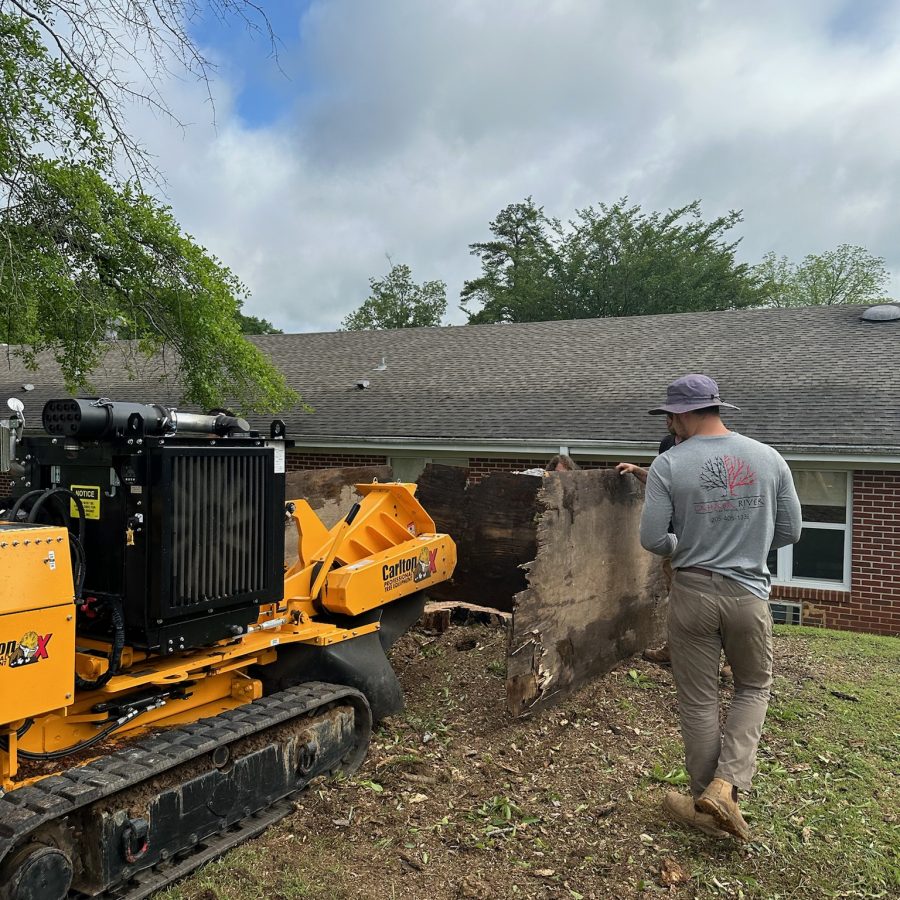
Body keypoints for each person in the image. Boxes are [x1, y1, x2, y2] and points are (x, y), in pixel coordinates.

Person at [638, 374, 801, 842]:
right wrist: (748, 541)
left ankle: (706, 801)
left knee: (699, 698)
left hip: (692, 592)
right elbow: (790, 532)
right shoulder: (769, 458)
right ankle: (727, 785)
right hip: (748, 592)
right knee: (753, 684)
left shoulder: (669, 464)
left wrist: (685, 541)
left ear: (686, 414)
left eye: (670, 415)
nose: (670, 424)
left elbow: (652, 539)